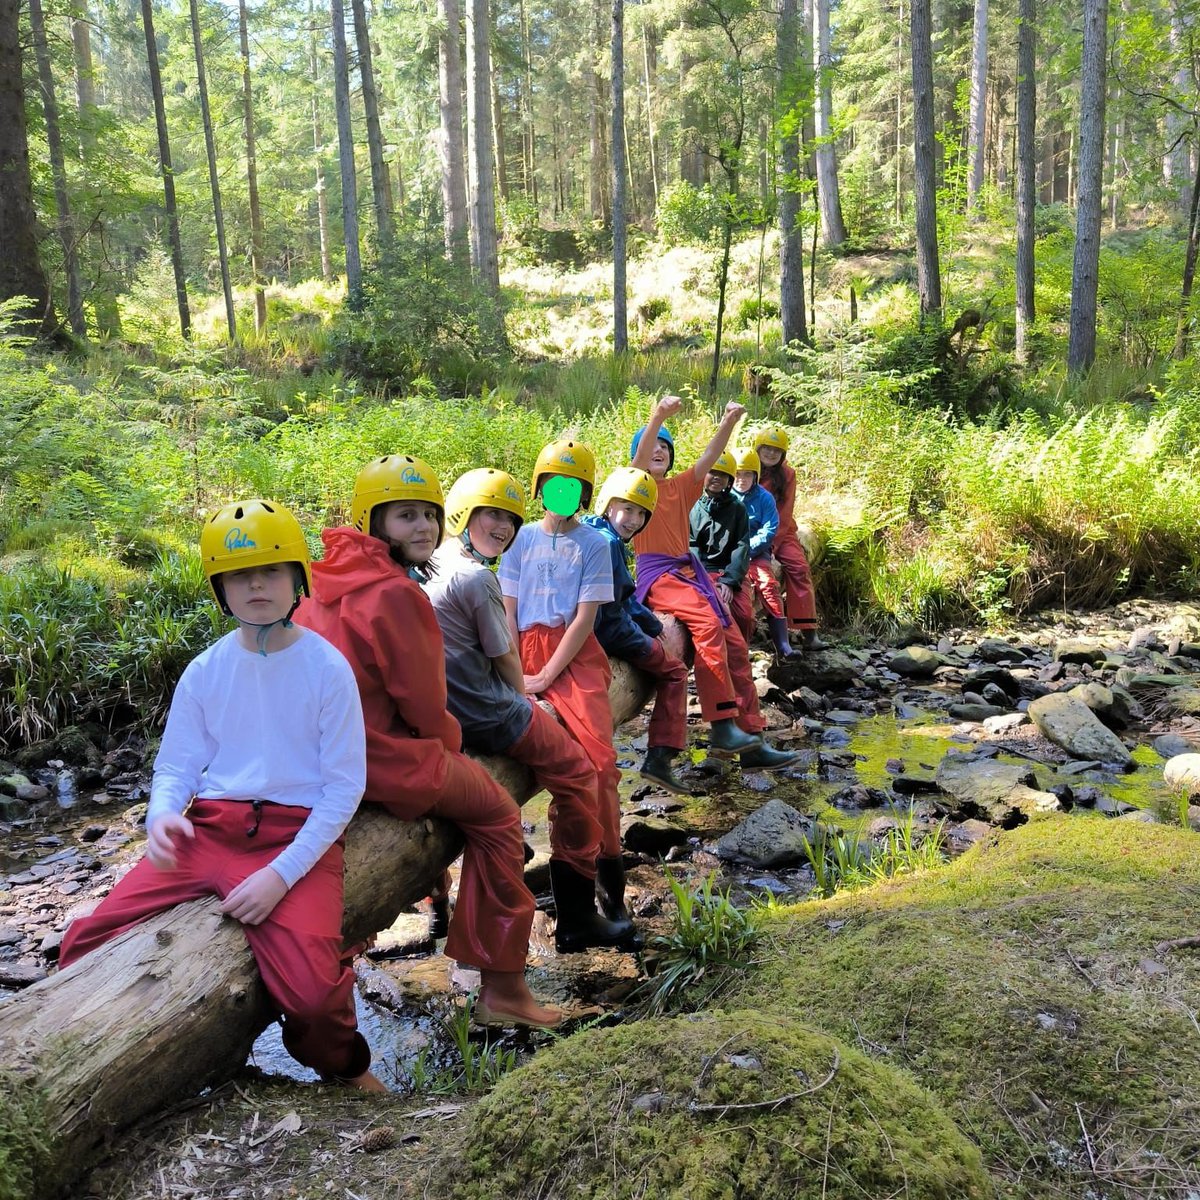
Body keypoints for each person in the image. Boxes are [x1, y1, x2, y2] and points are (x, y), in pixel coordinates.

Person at [59, 499, 385, 1091]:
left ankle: (349, 1069)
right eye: (238, 574)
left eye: (270, 570)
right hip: (208, 830)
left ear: (297, 580)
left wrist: (280, 877)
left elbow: (344, 788)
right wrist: (161, 815)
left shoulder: (325, 667)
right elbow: (177, 765)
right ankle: (113, 1068)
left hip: (295, 836)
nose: (255, 585)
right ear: (220, 587)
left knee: (313, 1000)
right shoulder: (206, 669)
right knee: (82, 942)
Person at [293, 456, 562, 1030]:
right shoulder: (396, 594)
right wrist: (453, 751)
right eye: (404, 516)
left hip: (326, 755)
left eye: (428, 516)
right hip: (382, 756)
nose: (421, 528)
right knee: (496, 816)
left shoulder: (323, 580)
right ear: (373, 521)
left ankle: (433, 902)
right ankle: (503, 987)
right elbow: (424, 708)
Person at [424, 467, 636, 953]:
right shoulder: (477, 575)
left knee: (591, 765)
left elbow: (583, 617)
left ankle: (449, 913)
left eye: (507, 519)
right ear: (463, 514)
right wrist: (527, 689)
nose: (501, 526)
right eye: (491, 515)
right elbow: (504, 653)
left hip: (457, 705)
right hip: (492, 704)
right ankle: (578, 911)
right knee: (582, 773)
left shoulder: (433, 565)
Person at [498, 439, 639, 930]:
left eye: (572, 486)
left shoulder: (595, 544)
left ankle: (608, 892)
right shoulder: (518, 539)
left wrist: (547, 674)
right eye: (554, 485)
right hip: (518, 647)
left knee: (599, 767)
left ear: (583, 493)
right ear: (540, 489)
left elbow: (584, 619)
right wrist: (516, 671)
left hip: (575, 657)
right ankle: (569, 906)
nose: (562, 494)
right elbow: (508, 609)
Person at [630, 396, 797, 772]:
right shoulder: (637, 486)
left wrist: (729, 419)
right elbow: (640, 461)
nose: (657, 451)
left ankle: (751, 739)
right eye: (651, 445)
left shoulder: (682, 486)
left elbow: (711, 454)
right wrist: (657, 417)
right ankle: (722, 723)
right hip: (659, 575)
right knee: (707, 624)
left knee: (735, 641)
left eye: (664, 447)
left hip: (688, 574)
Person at [582, 466, 691, 796]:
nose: (633, 519)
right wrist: (647, 638)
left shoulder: (592, 532)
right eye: (627, 508)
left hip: (592, 630)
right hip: (605, 634)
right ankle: (660, 758)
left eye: (641, 513)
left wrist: (653, 622)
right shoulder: (607, 545)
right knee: (674, 671)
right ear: (608, 503)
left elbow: (624, 597)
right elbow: (612, 616)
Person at [751, 423, 825, 650]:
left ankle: (809, 633)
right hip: (750, 530)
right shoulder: (746, 468)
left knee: (799, 568)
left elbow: (784, 514)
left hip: (781, 532)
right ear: (758, 448)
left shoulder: (788, 475)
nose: (771, 453)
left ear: (783, 454)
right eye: (767, 448)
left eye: (776, 450)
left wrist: (770, 545)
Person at [731, 446, 793, 660]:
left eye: (747, 474)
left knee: (768, 585)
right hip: (729, 555)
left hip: (756, 553)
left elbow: (770, 528)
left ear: (755, 475)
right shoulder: (723, 496)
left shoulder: (764, 497)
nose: (741, 479)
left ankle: (782, 644)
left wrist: (748, 548)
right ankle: (736, 645)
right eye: (737, 474)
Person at [688, 448, 754, 641]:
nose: (717, 478)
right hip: (699, 571)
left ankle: (741, 652)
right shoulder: (691, 505)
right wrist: (703, 577)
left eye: (723, 474)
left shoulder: (737, 508)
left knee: (743, 615)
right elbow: (690, 545)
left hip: (729, 571)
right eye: (712, 472)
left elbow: (741, 546)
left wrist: (729, 581)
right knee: (708, 613)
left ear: (730, 480)